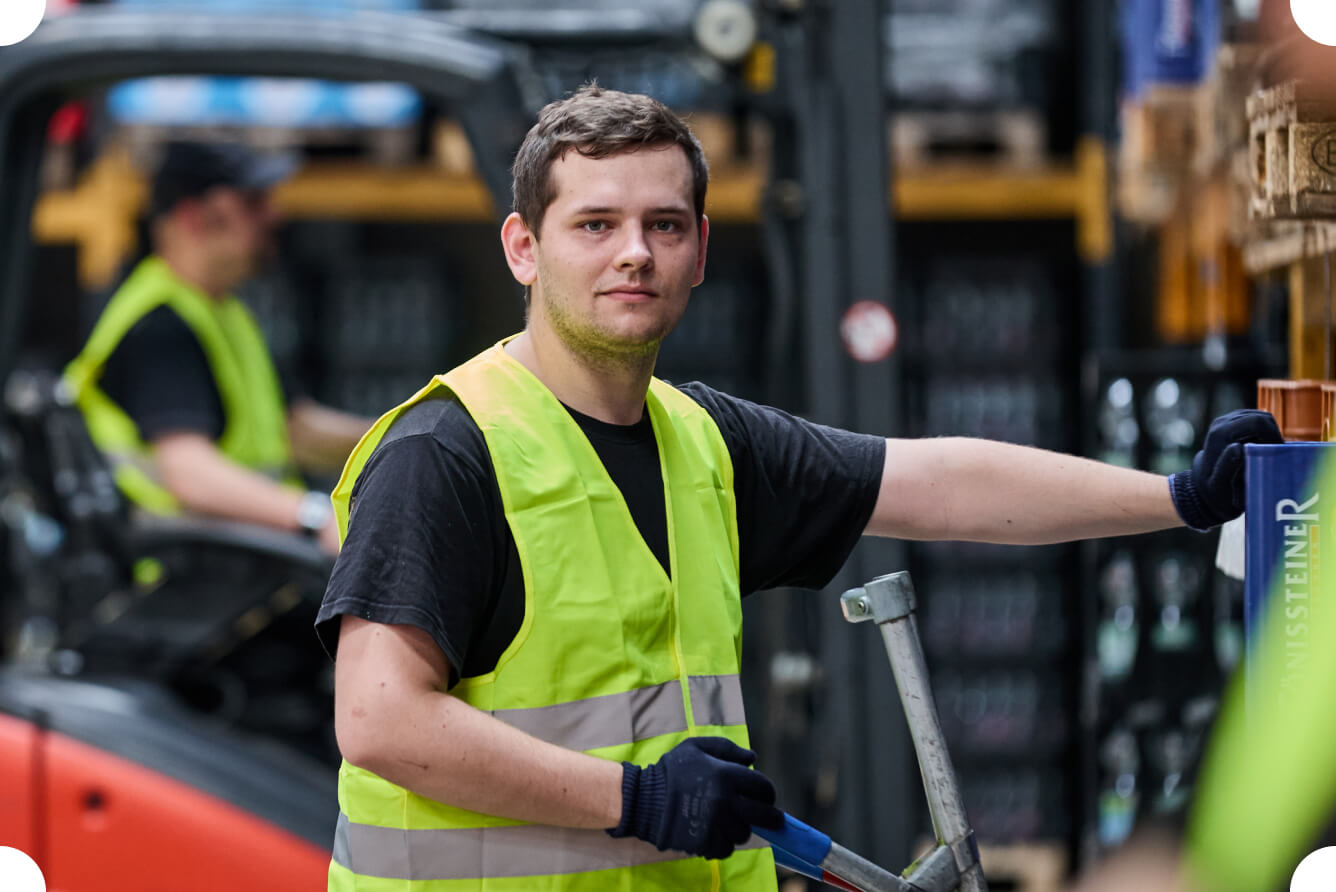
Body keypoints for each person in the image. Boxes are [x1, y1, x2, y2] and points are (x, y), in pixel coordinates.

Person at [315, 84, 1283, 891]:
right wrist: (636, 798)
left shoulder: (701, 442)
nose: (633, 253)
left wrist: (1176, 495)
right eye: (595, 224)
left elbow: (934, 482)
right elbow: (379, 717)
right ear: (524, 248)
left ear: (699, 248)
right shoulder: (447, 452)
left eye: (662, 225)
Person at [63, 140, 370, 555]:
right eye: (252, 202)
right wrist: (314, 516)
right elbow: (189, 472)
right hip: (183, 586)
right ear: (193, 217)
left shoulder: (221, 311)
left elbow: (296, 432)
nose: (273, 215)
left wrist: (405, 435)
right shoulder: (159, 326)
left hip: (240, 569)